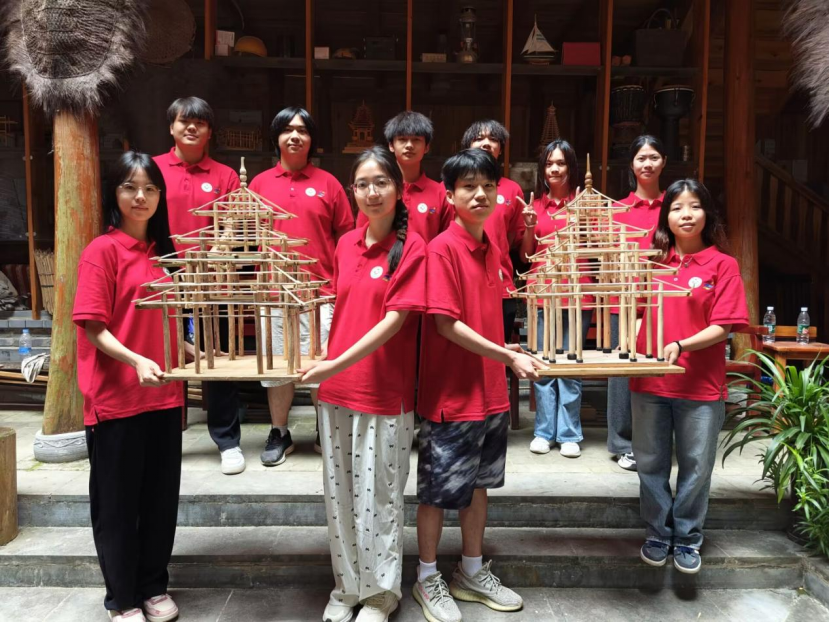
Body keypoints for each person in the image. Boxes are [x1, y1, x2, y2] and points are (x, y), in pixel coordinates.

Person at [413, 149, 545, 623]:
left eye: (488, 186)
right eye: (468, 186)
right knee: (437, 491)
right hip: (451, 395)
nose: (480, 194)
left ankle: (470, 571)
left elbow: (483, 318)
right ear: (449, 196)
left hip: (490, 391)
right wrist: (508, 356)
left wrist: (509, 349)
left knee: (481, 486)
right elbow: (446, 324)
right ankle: (427, 576)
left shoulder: (493, 247)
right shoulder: (441, 249)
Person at [298, 147, 427, 623]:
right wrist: (321, 359)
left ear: (398, 188)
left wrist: (334, 363)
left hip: (384, 394)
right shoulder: (346, 243)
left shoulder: (413, 248)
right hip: (335, 391)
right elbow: (340, 310)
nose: (372, 192)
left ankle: (380, 594)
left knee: (380, 498)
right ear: (352, 191)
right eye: (362, 184)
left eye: (381, 182)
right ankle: (347, 587)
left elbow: (394, 322)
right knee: (340, 498)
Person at [74, 152, 193, 623]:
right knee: (118, 506)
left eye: (149, 188)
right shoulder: (102, 251)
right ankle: (122, 598)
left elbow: (165, 325)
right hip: (117, 399)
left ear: (160, 196)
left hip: (164, 396)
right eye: (129, 187)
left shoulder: (166, 255)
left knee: (160, 501)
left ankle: (153, 586)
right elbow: (94, 328)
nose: (140, 197)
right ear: (114, 193)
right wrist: (136, 360)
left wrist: (195, 352)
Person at [631, 179, 748, 575]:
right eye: (677, 207)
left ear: (707, 213)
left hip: (700, 384)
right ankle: (657, 532)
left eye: (694, 206)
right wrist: (632, 348)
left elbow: (723, 326)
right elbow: (636, 311)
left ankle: (687, 537)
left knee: (696, 466)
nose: (686, 214)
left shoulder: (722, 265)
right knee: (650, 462)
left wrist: (680, 344)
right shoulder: (652, 262)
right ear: (666, 215)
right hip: (650, 381)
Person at [249, 106, 354, 467]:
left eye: (303, 130)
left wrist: (341, 285)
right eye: (287, 130)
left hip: (320, 292)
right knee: (278, 368)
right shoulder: (259, 184)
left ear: (312, 140)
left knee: (323, 366)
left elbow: (346, 237)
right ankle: (280, 432)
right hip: (273, 292)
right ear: (276, 137)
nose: (295, 136)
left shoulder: (329, 184)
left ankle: (327, 432)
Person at [153, 96, 246, 476]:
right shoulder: (155, 169)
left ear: (210, 131)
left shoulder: (224, 175)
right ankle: (164, 436)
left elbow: (231, 227)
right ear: (171, 127)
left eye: (200, 123)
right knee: (164, 355)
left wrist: (215, 263)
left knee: (219, 359)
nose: (191, 127)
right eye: (184, 121)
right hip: (165, 274)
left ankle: (227, 441)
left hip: (213, 279)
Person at [521, 140, 591, 458]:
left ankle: (569, 433)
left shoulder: (585, 203)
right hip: (542, 292)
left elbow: (596, 250)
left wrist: (584, 222)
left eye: (561, 163)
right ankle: (543, 432)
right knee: (543, 365)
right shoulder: (535, 206)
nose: (554, 169)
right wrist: (528, 228)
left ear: (571, 167)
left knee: (571, 366)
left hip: (577, 294)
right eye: (549, 163)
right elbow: (526, 255)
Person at [607, 135, 668, 472]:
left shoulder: (674, 206)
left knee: (659, 371)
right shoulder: (617, 209)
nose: (647, 163)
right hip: (624, 301)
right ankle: (622, 443)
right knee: (622, 373)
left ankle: (656, 441)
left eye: (653, 157)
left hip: (664, 300)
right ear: (631, 164)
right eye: (641, 158)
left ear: (664, 162)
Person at [460, 120, 526, 342]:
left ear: (500, 149)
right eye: (479, 138)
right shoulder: (451, 188)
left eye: (493, 139)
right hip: (463, 284)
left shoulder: (512, 189)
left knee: (499, 352)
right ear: (467, 146)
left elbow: (511, 239)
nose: (486, 143)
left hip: (502, 286)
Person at [356, 111, 453, 243]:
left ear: (427, 147)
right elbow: (361, 236)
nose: (409, 145)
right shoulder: (376, 191)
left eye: (416, 140)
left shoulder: (440, 193)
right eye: (402, 139)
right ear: (391, 145)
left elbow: (447, 240)